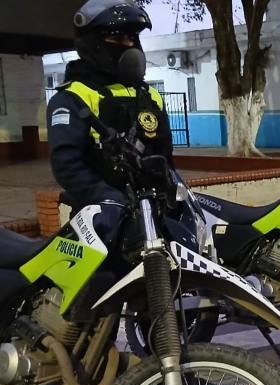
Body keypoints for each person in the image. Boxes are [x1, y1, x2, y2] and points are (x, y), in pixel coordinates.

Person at [48, 0, 167, 243]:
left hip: (152, 215)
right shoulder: (72, 97)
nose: (129, 46)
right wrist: (110, 199)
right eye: (118, 38)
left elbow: (165, 155)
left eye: (132, 38)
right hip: (100, 220)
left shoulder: (150, 96)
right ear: (93, 42)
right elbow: (67, 166)